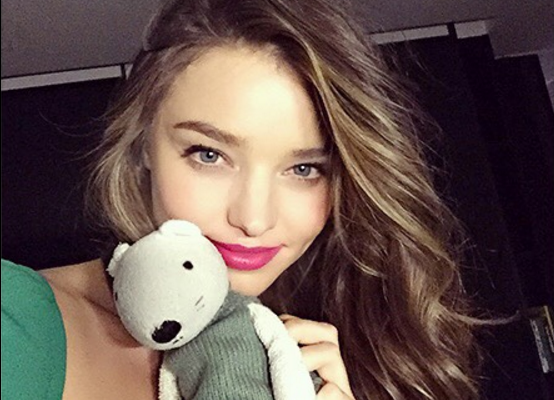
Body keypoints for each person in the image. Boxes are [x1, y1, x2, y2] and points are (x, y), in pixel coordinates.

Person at [1, 0, 482, 399]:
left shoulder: (331, 357)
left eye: (304, 169)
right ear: (144, 143)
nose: (253, 218)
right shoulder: (15, 321)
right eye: (209, 155)